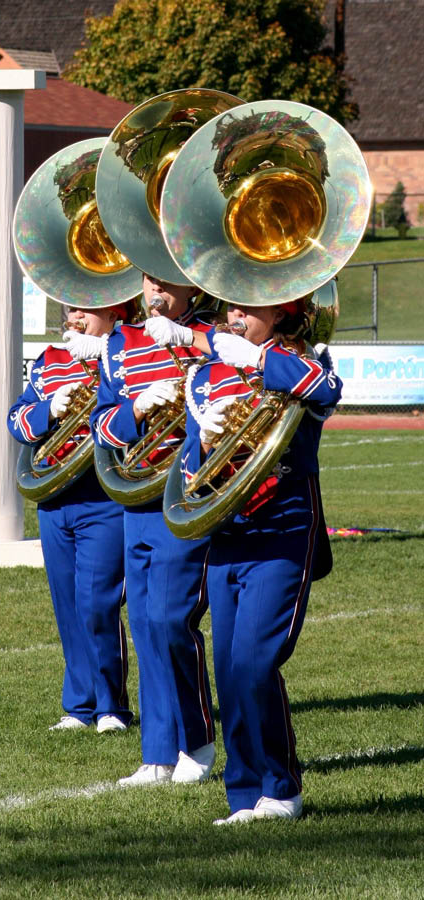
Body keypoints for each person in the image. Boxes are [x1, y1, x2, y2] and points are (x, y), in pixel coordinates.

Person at [176, 297, 342, 822]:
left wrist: (257, 361)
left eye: (249, 308)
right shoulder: (207, 375)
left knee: (253, 662)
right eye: (232, 307)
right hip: (229, 532)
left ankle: (282, 787)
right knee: (228, 670)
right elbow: (187, 468)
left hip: (284, 529)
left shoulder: (306, 361)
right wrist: (204, 442)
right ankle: (245, 794)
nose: (234, 317)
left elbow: (325, 391)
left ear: (281, 313)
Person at [88, 273, 216, 786]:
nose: (155, 290)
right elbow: (100, 425)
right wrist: (137, 410)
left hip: (185, 492)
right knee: (143, 625)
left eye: (167, 281)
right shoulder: (120, 343)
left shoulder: (210, 338)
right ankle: (158, 753)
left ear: (192, 288)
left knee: (168, 620)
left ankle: (198, 738)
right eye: (148, 279)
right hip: (135, 499)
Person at [7, 303, 134, 734]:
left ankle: (111, 704)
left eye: (87, 311)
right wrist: (50, 411)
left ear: (115, 314)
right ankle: (80, 706)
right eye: (71, 310)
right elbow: (19, 421)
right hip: (55, 501)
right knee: (67, 607)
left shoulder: (123, 359)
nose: (75, 319)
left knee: (96, 602)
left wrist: (103, 357)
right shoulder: (50, 362)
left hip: (103, 499)